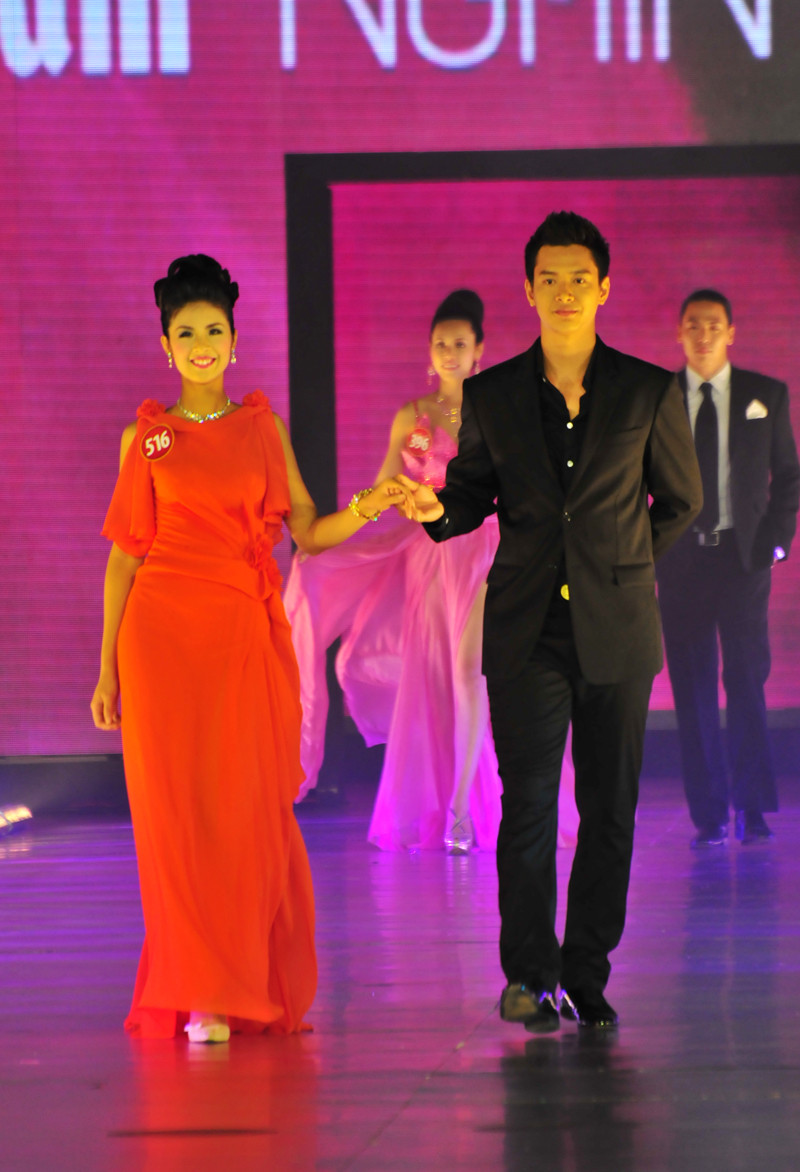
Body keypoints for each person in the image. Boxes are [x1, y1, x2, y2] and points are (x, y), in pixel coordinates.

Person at [90, 254, 407, 1043]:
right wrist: (106, 672)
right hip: (159, 643)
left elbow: (309, 533)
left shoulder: (263, 428)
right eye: (186, 333)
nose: (201, 345)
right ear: (166, 346)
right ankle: (199, 989)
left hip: (240, 637)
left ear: (235, 341)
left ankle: (233, 979)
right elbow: (125, 558)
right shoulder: (146, 437)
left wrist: (373, 501)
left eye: (214, 331)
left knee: (242, 813)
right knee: (174, 822)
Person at [398, 212, 702, 1031]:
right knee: (528, 805)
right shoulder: (493, 393)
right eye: (549, 279)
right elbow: (471, 494)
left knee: (609, 810)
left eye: (579, 278)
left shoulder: (646, 389)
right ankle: (530, 976)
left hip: (618, 629)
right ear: (529, 290)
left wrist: (619, 565)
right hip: (525, 629)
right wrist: (436, 510)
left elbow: (681, 501)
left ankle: (587, 973)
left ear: (603, 288)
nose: (564, 292)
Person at [284, 290, 580, 854]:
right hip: (429, 557)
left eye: (460, 343)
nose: (449, 352)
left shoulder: (503, 407)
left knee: (470, 673)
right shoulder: (412, 416)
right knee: (437, 681)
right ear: (430, 351)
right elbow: (383, 485)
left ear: (479, 350)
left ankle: (461, 810)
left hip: (486, 552)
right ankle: (449, 802)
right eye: (441, 343)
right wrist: (386, 500)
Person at [656, 290, 800, 848]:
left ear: (731, 333)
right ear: (679, 332)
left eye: (713, 325)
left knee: (745, 679)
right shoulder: (657, 399)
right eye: (693, 325)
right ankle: (710, 814)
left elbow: (788, 476)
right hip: (681, 559)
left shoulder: (766, 394)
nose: (703, 334)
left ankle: (754, 808)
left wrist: (776, 545)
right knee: (692, 689)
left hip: (743, 559)